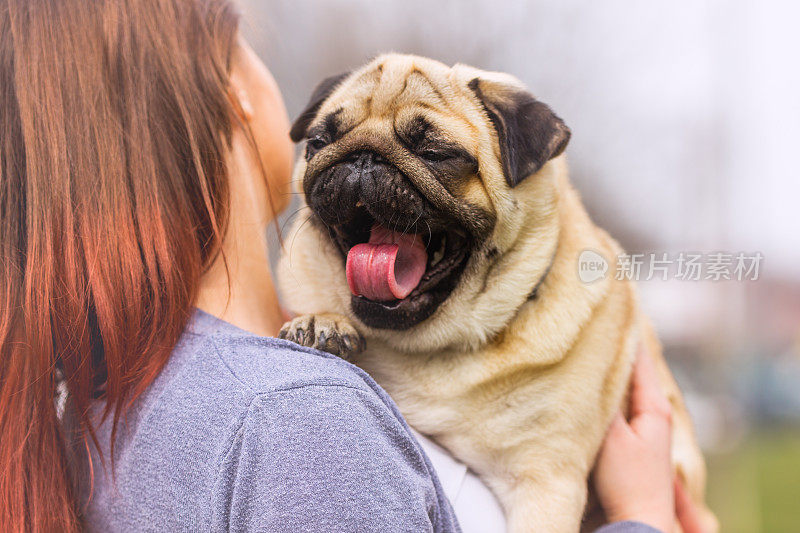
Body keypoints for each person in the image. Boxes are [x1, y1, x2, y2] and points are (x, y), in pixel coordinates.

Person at [0, 0, 709, 531]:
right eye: (337, 139)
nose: (371, 173)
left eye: (431, 154)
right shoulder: (301, 421)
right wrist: (641, 512)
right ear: (236, 93)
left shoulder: (107, 392)